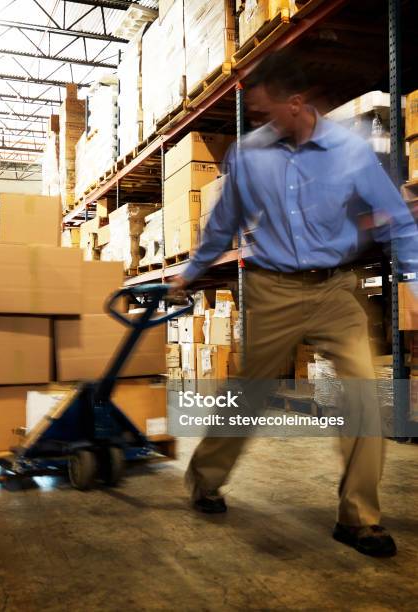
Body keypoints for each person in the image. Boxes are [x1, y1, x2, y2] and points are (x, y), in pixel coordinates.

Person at [171, 50, 418, 558]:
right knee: (250, 395)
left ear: (297, 103)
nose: (258, 122)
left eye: (264, 111)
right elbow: (223, 224)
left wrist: (416, 280)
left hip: (335, 289)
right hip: (272, 289)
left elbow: (397, 218)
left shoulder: (351, 152)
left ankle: (359, 518)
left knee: (361, 396)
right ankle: (206, 477)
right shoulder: (248, 155)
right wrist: (191, 271)